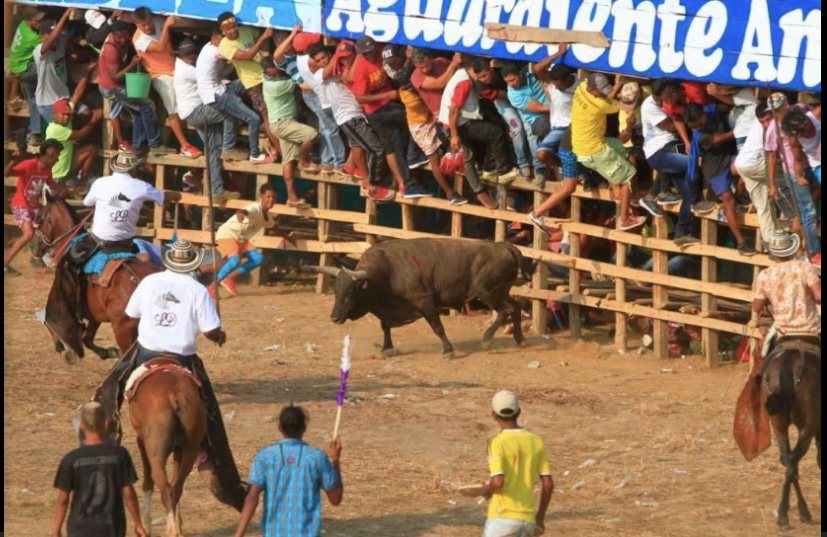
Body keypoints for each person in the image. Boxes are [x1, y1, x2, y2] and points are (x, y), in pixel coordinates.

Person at [233, 405, 343, 537]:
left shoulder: (265, 457)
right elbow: (336, 498)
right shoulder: (317, 458)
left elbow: (252, 497)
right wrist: (335, 460)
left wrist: (239, 533)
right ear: (304, 428)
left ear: (280, 428)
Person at [306, 42, 396, 202]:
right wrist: (343, 49)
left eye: (324, 58)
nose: (323, 62)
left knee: (357, 145)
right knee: (377, 150)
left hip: (354, 115)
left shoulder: (340, 68)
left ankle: (353, 168)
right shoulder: (320, 74)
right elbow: (348, 74)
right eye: (318, 60)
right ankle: (372, 186)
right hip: (349, 117)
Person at [382, 45, 467, 204]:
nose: (425, 69)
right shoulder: (415, 78)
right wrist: (454, 64)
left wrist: (455, 64)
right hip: (424, 124)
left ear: (430, 58)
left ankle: (414, 156)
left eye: (426, 65)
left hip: (442, 116)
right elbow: (440, 83)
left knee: (455, 150)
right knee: (434, 158)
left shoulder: (441, 62)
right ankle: (450, 193)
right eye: (420, 67)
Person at [51, 401, 148, 537]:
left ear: (82, 426)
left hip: (79, 529)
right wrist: (138, 524)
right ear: (106, 424)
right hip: (112, 527)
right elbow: (129, 494)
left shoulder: (71, 459)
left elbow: (63, 500)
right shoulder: (120, 455)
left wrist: (56, 530)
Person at [351, 36, 430, 198]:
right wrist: (386, 94)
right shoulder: (361, 68)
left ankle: (406, 185)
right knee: (409, 116)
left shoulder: (381, 52)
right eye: (367, 53)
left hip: (388, 103)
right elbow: (359, 97)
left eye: (372, 51)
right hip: (376, 111)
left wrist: (407, 59)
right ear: (361, 54)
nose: (371, 55)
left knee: (394, 146)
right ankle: (413, 156)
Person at [571, 73, 646, 231]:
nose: (605, 93)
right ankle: (625, 219)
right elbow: (623, 105)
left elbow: (608, 96)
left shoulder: (581, 88)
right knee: (629, 175)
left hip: (591, 142)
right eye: (601, 91)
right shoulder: (601, 106)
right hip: (594, 151)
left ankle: (632, 194)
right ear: (592, 89)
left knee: (625, 148)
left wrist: (617, 85)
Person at [440, 59, 518, 204]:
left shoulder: (463, 74)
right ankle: (503, 171)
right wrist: (454, 135)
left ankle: (482, 186)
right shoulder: (464, 82)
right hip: (458, 124)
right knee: (496, 133)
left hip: (455, 122)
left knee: (468, 157)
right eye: (480, 76)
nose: (482, 80)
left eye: (484, 76)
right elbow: (454, 110)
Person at [684, 103, 757, 256]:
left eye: (698, 123)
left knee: (746, 169)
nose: (697, 127)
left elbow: (730, 103)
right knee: (728, 201)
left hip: (727, 158)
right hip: (714, 170)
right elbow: (727, 136)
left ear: (703, 114)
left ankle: (741, 198)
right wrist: (747, 126)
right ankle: (741, 243)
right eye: (693, 125)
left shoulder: (712, 110)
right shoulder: (701, 136)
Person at [173, 38, 240, 203]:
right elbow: (213, 78)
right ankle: (229, 148)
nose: (192, 57)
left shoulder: (186, 66)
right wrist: (234, 65)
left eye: (192, 53)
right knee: (231, 111)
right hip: (198, 111)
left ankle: (217, 192)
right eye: (188, 54)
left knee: (212, 151)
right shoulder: (186, 70)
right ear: (181, 55)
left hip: (196, 111)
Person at [480, 391, 554, 537]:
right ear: (519, 412)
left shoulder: (495, 442)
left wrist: (487, 491)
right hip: (528, 522)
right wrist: (539, 517)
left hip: (502, 519)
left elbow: (498, 481)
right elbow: (548, 484)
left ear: (493, 415)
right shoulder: (536, 440)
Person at [132, 7, 202, 158]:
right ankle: (185, 145)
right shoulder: (139, 40)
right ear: (137, 24)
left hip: (177, 68)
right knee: (173, 109)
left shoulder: (158, 21)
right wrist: (167, 26)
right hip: (161, 76)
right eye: (143, 25)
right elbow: (160, 46)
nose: (148, 27)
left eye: (149, 22)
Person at [197, 27, 269, 164]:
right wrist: (262, 40)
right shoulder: (217, 50)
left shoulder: (207, 46)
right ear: (217, 38)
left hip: (219, 88)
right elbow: (247, 56)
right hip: (216, 95)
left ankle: (257, 106)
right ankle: (255, 154)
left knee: (247, 81)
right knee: (253, 119)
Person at [212, 183, 294, 298]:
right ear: (261, 196)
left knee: (258, 258)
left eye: (273, 197)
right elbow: (244, 211)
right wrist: (240, 214)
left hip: (240, 239)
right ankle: (212, 287)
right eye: (268, 196)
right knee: (235, 260)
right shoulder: (255, 208)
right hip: (228, 234)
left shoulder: (268, 216)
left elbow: (274, 228)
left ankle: (229, 278)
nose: (271, 199)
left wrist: (288, 237)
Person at [216, 12, 280, 159]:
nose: (232, 31)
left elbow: (259, 36)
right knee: (267, 116)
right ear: (223, 31)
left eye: (234, 27)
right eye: (228, 29)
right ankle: (281, 152)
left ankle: (279, 148)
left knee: (278, 112)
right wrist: (264, 37)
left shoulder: (245, 31)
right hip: (253, 83)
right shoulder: (224, 46)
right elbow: (247, 56)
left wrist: (265, 54)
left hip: (266, 76)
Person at [98, 20, 168, 153]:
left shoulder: (123, 40)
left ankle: (138, 145)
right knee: (148, 106)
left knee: (138, 111)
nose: (123, 40)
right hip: (112, 87)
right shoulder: (111, 50)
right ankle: (155, 143)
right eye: (119, 37)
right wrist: (131, 65)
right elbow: (115, 77)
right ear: (113, 35)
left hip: (113, 84)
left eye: (125, 36)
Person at [262, 54, 319, 207]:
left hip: (282, 123)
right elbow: (298, 82)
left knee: (287, 160)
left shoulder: (268, 77)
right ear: (266, 72)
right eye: (272, 73)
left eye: (277, 71)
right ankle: (304, 161)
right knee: (311, 134)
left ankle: (291, 197)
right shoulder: (275, 86)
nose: (276, 74)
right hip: (283, 123)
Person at [752, 230, 821, 358]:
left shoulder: (765, 275)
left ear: (772, 252)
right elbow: (819, 295)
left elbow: (757, 308)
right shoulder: (805, 267)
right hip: (811, 328)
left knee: (762, 358)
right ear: (791, 249)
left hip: (782, 330)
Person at [3, 139, 68, 275]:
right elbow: (6, 173)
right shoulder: (29, 164)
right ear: (50, 154)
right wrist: (13, 160)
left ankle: (37, 258)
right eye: (57, 156)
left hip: (34, 206)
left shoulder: (47, 169)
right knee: (29, 234)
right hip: (21, 204)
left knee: (48, 229)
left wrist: (68, 191)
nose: (57, 160)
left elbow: (51, 184)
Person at [734, 103, 777, 246]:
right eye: (763, 121)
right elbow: (773, 156)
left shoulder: (763, 120)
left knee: (762, 206)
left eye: (767, 120)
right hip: (754, 164)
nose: (766, 124)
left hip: (743, 165)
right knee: (787, 174)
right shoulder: (775, 123)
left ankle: (770, 244)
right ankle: (790, 214)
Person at [8, 6, 46, 144]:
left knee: (32, 98)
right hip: (25, 69)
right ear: (29, 21)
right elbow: (50, 43)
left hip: (17, 66)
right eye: (37, 21)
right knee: (51, 65)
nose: (40, 23)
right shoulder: (33, 37)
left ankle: (35, 132)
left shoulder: (22, 25)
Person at [32, 9, 75, 124]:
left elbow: (66, 35)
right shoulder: (39, 51)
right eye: (51, 35)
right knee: (59, 132)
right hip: (48, 103)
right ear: (43, 37)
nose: (56, 39)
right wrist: (65, 15)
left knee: (85, 112)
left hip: (62, 96)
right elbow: (52, 39)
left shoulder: (60, 42)